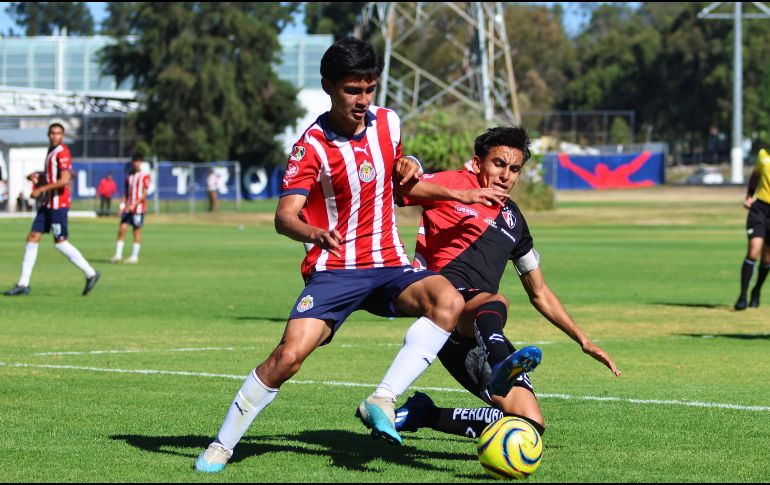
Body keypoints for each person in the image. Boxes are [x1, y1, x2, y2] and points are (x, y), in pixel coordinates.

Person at [194, 37, 515, 474]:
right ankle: (222, 444)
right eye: (352, 90)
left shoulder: (388, 123)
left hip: (388, 264)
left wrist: (432, 176)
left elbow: (403, 187)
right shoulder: (312, 146)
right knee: (287, 358)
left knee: (448, 299)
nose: (363, 100)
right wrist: (313, 232)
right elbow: (283, 217)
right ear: (329, 86)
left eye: (369, 89)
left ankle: (382, 398)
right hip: (335, 270)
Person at [392, 127, 621, 440]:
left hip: (477, 335)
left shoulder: (514, 220)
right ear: (477, 163)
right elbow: (401, 189)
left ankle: (426, 413)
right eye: (498, 164)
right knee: (495, 301)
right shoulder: (456, 183)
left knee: (530, 425)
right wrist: (410, 162)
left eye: (514, 169)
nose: (506, 175)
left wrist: (583, 340)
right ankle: (502, 365)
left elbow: (539, 292)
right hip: (446, 310)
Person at [3, 123, 101, 297]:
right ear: (48, 135)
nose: (55, 136)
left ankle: (91, 273)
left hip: (58, 205)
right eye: (53, 133)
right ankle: (23, 284)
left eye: (59, 134)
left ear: (62, 136)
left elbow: (64, 180)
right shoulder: (51, 151)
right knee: (32, 238)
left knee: (61, 243)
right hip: (47, 204)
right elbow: (52, 175)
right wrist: (38, 176)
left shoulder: (62, 152)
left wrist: (41, 189)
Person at [734, 148, 770, 310]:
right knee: (753, 250)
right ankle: (742, 295)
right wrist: (749, 195)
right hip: (760, 209)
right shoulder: (762, 154)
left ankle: (757, 290)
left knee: (767, 258)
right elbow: (755, 175)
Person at [111, 154, 150, 264]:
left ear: (141, 162)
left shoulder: (145, 176)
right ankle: (118, 255)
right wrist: (122, 206)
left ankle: (134, 256)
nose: (136, 163)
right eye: (135, 161)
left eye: (138, 161)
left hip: (138, 209)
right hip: (128, 208)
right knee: (122, 229)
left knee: (136, 231)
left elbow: (144, 193)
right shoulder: (130, 175)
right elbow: (126, 192)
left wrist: (135, 204)